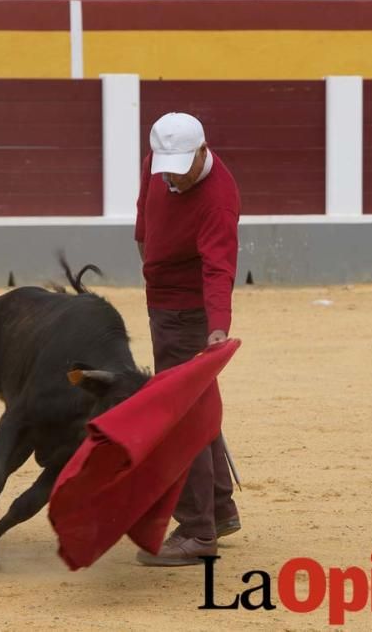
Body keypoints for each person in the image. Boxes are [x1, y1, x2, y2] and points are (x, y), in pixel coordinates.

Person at [134, 112, 242, 567]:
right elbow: (144, 217)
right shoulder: (156, 164)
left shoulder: (218, 197)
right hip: (162, 300)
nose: (174, 174)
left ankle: (198, 532)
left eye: (182, 163)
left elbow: (219, 268)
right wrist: (145, 253)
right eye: (167, 164)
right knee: (196, 407)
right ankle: (218, 510)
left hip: (189, 311)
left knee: (181, 417)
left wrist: (216, 327)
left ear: (203, 150)